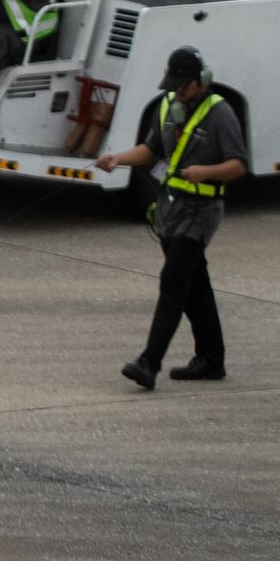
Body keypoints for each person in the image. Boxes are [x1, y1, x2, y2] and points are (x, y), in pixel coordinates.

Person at [97, 46, 248, 389]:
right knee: (195, 286)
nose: (177, 91)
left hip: (201, 211)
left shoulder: (219, 113)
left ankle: (149, 362)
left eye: (183, 86)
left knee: (174, 282)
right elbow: (151, 150)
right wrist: (116, 159)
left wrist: (207, 171)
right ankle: (211, 359)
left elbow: (239, 164)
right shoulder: (165, 107)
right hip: (169, 209)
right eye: (173, 85)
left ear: (201, 81)